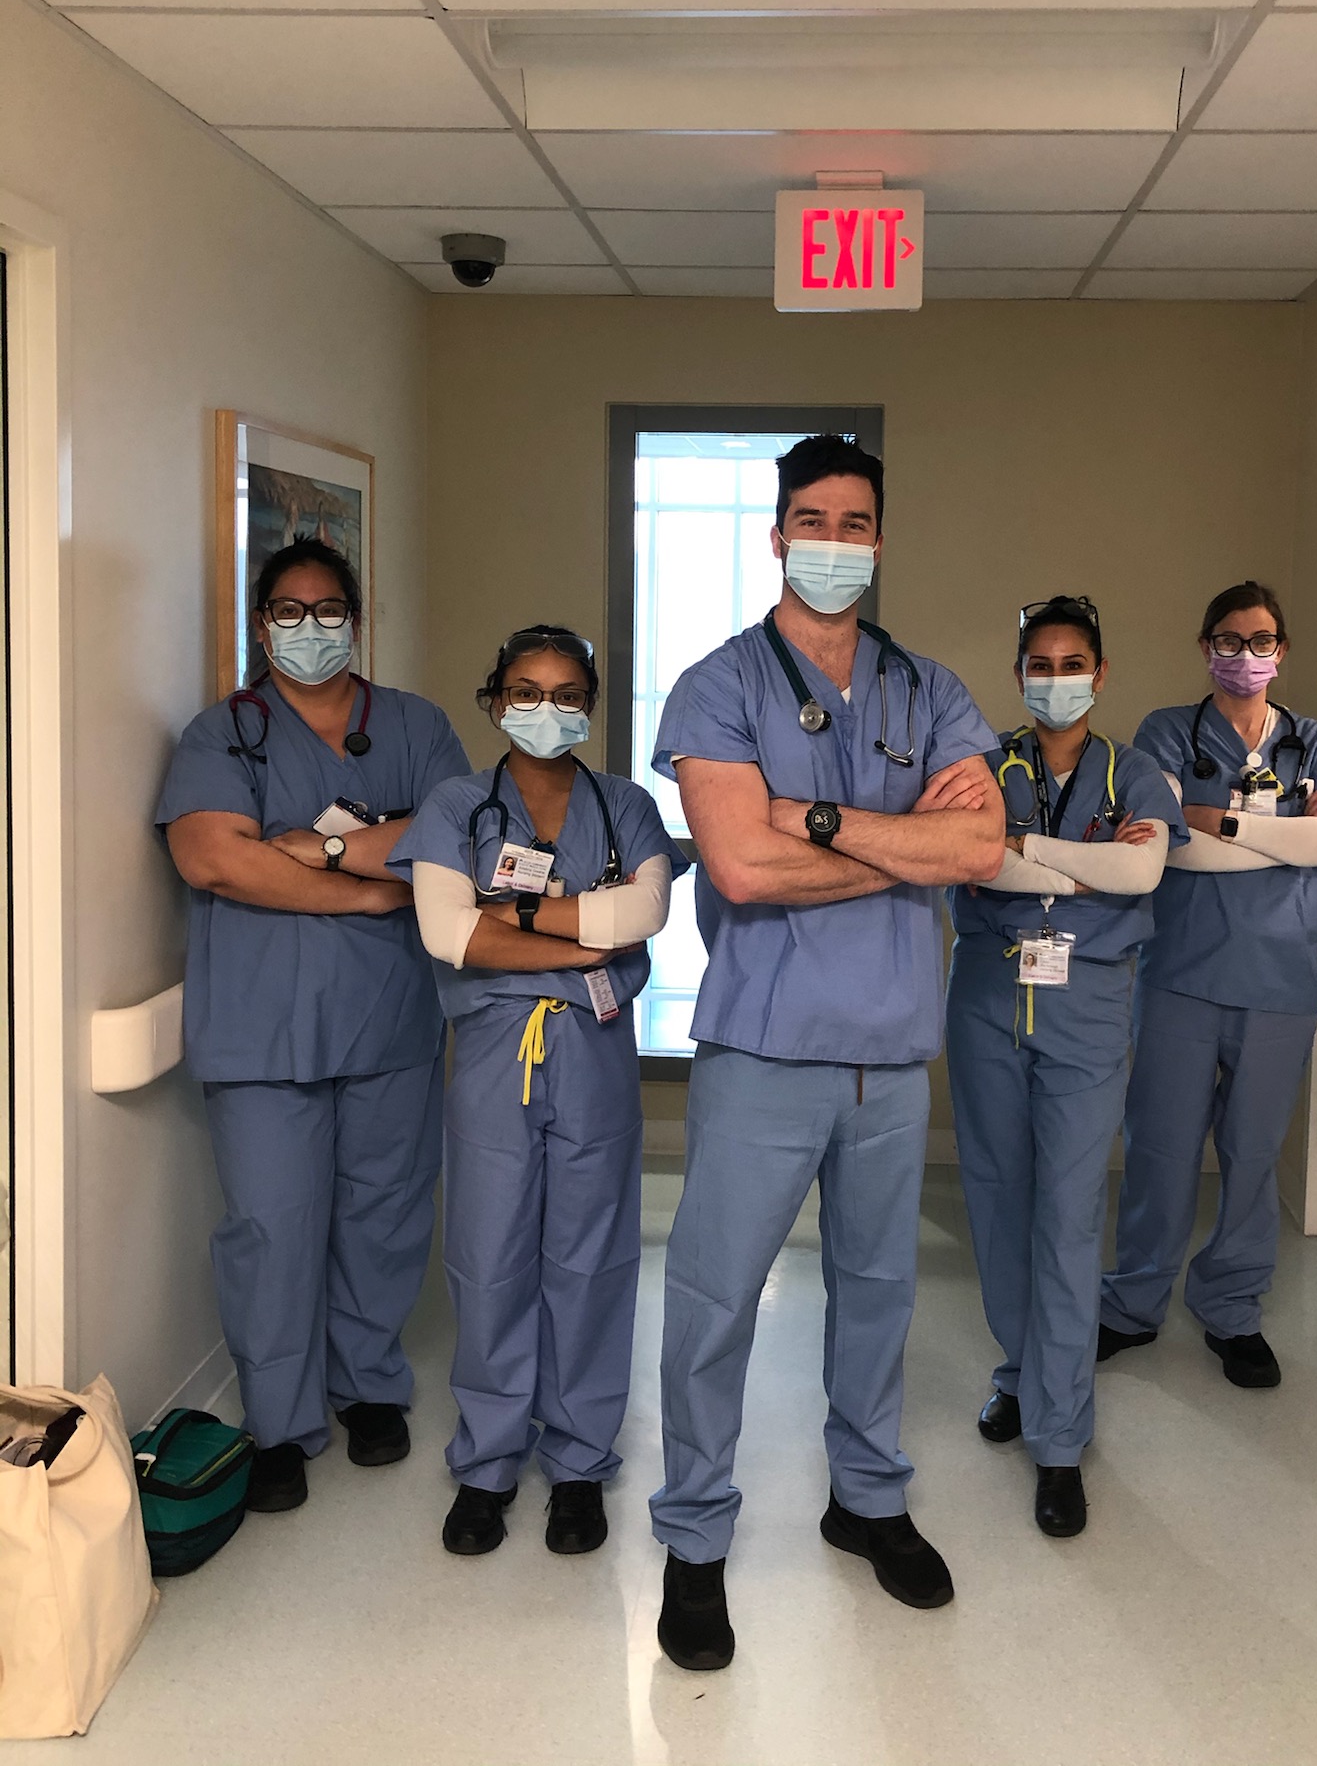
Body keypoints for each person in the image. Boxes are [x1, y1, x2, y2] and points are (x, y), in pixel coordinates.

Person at [647, 433, 1005, 1673]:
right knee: (713, 1298)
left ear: (881, 538)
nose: (834, 542)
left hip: (891, 1058)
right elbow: (740, 864)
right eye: (813, 519)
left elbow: (980, 851)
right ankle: (695, 1536)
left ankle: (866, 1495)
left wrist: (821, 823)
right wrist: (904, 835)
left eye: (856, 522)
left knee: (880, 1293)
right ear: (777, 534)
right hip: (765, 1048)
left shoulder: (932, 687)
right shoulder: (717, 685)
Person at [158, 539, 470, 1513]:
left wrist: (322, 843)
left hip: (387, 1023)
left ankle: (368, 1384)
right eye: (286, 612)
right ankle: (280, 1420)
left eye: (327, 608)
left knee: (384, 1214)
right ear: (261, 626)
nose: (309, 627)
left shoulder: (415, 725)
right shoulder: (222, 735)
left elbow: (459, 843)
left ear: (356, 616)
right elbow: (214, 859)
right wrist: (368, 890)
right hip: (262, 1031)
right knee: (272, 1226)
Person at [389, 627, 687, 1560]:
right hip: (490, 1058)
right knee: (489, 1253)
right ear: (494, 700)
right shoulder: (454, 805)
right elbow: (446, 933)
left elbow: (643, 915)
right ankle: (486, 1462)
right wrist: (579, 942)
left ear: (589, 706)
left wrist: (509, 916)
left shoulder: (627, 804)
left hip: (594, 1054)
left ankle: (580, 1462)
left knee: (591, 1258)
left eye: (564, 693)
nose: (544, 709)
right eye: (524, 689)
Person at [946, 596, 1186, 1539]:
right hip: (989, 996)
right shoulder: (978, 767)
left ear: (1102, 670)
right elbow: (968, 864)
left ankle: (1059, 1438)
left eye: (1072, 661)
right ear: (1017, 676)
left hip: (1087, 1004)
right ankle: (1022, 1374)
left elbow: (1144, 875)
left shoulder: (1139, 773)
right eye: (1039, 664)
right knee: (999, 1201)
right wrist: (1084, 860)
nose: (1056, 679)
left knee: (1070, 1211)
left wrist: (1024, 851)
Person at [1100, 579, 1317, 1389]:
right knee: (1161, 1146)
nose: (1243, 656)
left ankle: (1233, 1306)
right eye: (1227, 639)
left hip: (1281, 977)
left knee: (1251, 1153)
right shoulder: (1165, 733)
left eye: (1259, 642)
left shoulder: (1315, 742)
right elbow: (1170, 848)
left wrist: (1218, 819)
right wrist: (1286, 834)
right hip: (1182, 971)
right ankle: (1133, 1302)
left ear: (1280, 651)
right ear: (1204, 646)